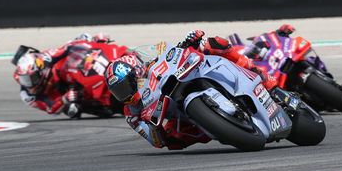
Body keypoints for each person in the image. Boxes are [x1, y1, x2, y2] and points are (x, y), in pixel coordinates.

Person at [105, 31, 275, 150]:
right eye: (117, 91)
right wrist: (154, 129)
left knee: (213, 44)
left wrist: (188, 43)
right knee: (173, 141)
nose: (123, 94)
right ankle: (222, 128)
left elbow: (165, 51)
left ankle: (259, 74)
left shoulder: (147, 64)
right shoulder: (131, 112)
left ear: (136, 74)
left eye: (123, 87)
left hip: (182, 76)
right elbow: (155, 141)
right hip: (181, 116)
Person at [12, 33, 130, 118]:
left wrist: (91, 42)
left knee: (83, 39)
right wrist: (64, 99)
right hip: (63, 97)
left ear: (41, 69)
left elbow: (67, 48)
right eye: (25, 80)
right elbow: (50, 108)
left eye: (31, 78)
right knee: (72, 110)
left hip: (69, 73)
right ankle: (108, 105)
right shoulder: (27, 95)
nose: (29, 83)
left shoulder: (45, 59)